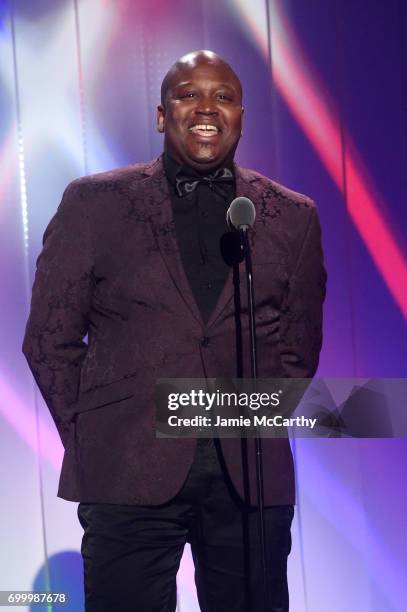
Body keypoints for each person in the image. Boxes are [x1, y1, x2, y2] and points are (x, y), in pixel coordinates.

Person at [22, 50, 326, 612]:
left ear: (241, 115)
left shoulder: (291, 214)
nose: (206, 108)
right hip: (127, 476)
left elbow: (298, 347)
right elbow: (49, 339)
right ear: (163, 115)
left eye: (224, 96)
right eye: (189, 94)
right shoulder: (95, 204)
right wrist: (98, 437)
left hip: (250, 483)